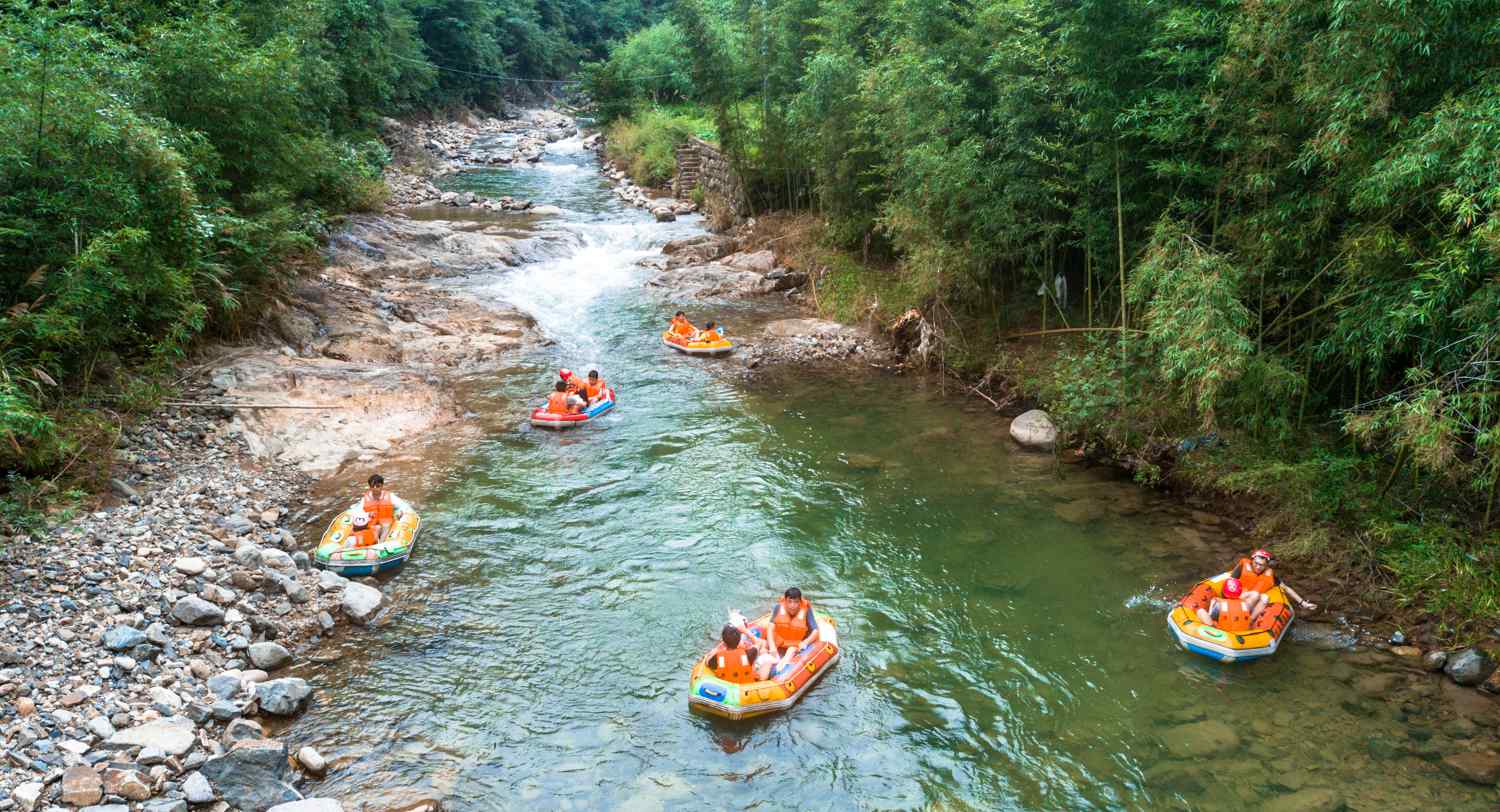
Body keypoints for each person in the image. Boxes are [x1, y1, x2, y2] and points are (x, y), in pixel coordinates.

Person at [1230, 548, 1317, 617]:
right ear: (1252, 560)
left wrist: (1303, 603)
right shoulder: (1243, 566)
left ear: (1266, 565)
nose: (1258, 567)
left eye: (1261, 565)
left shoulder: (1269, 574)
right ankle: (1239, 615)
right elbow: (1230, 581)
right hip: (1239, 596)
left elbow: (1286, 588)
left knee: (1265, 598)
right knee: (1255, 594)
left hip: (1253, 600)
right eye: (1256, 563)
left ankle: (1250, 621)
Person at [766, 587, 820, 654]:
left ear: (800, 602)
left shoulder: (806, 610)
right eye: (789, 602)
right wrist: (772, 646)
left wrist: (805, 642)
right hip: (779, 642)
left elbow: (815, 631)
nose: (792, 605)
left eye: (796, 602)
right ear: (785, 601)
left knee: (790, 651)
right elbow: (771, 626)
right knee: (762, 646)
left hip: (795, 645)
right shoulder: (778, 607)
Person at [362, 474, 396, 542]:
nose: (375, 488)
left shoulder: (390, 496)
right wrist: (368, 514)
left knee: (386, 526)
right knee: (372, 528)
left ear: (382, 486)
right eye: (372, 486)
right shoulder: (365, 499)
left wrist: (399, 513)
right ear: (370, 487)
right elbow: (358, 513)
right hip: (372, 524)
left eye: (377, 486)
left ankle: (381, 545)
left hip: (386, 523)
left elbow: (402, 507)